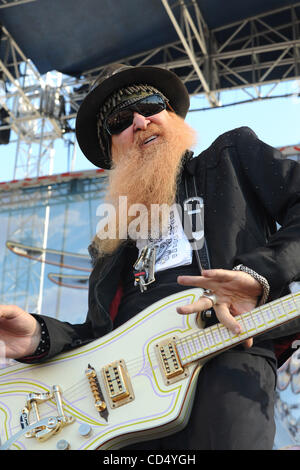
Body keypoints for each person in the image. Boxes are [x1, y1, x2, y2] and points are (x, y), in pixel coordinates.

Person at [1, 63, 300, 450]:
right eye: (120, 121)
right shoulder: (110, 242)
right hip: (133, 409)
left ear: (171, 116)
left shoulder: (230, 156)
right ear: (111, 152)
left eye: (149, 104)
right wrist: (39, 336)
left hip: (225, 361)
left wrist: (258, 274)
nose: (140, 121)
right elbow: (99, 338)